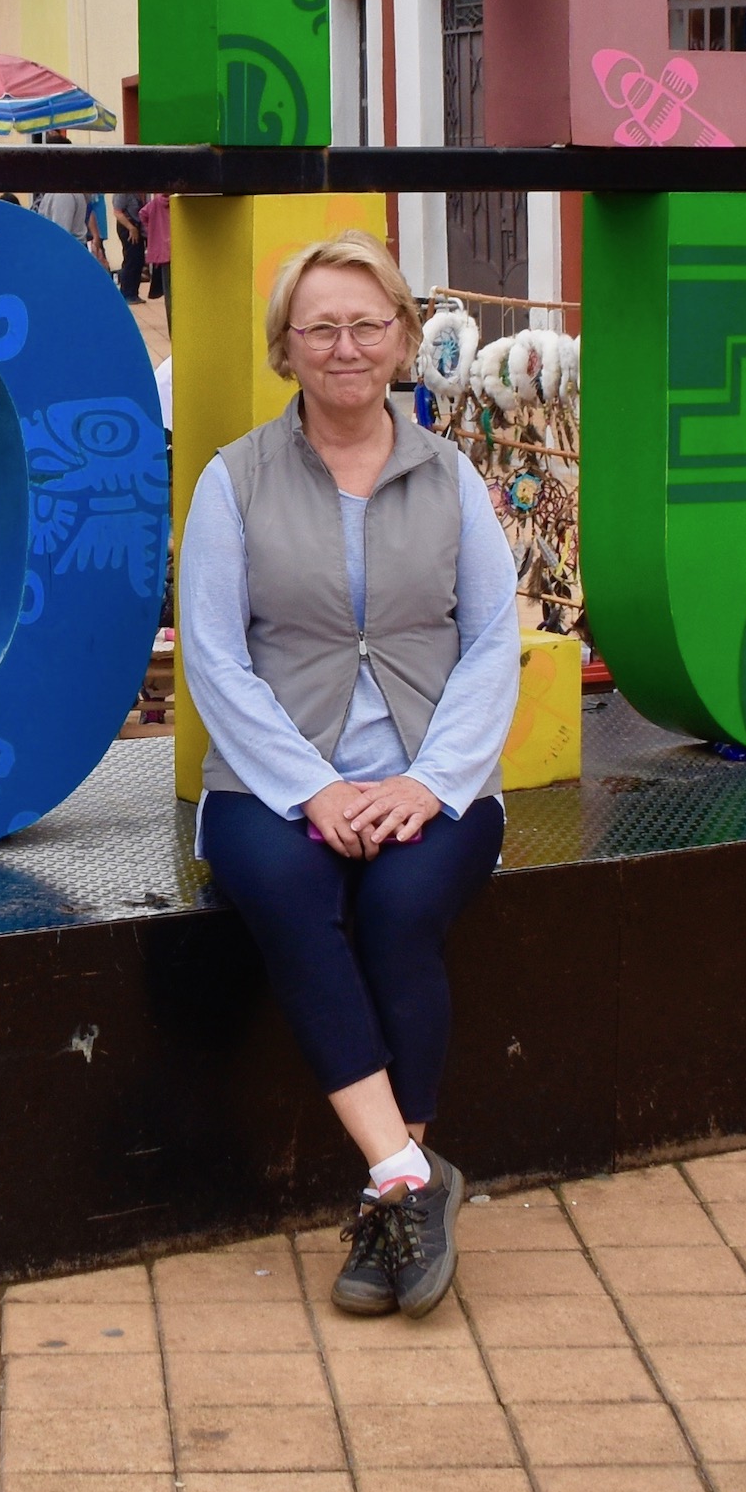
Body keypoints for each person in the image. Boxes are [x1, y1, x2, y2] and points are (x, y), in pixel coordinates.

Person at [180, 230, 523, 1320]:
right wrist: (310, 791)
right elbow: (214, 657)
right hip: (270, 786)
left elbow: (488, 642)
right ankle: (411, 1179)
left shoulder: (453, 477)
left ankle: (393, 1195)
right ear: (284, 347)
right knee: (288, 896)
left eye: (367, 324)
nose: (344, 347)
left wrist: (429, 784)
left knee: (402, 906)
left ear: (402, 341)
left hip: (433, 773)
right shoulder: (233, 483)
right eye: (319, 327)